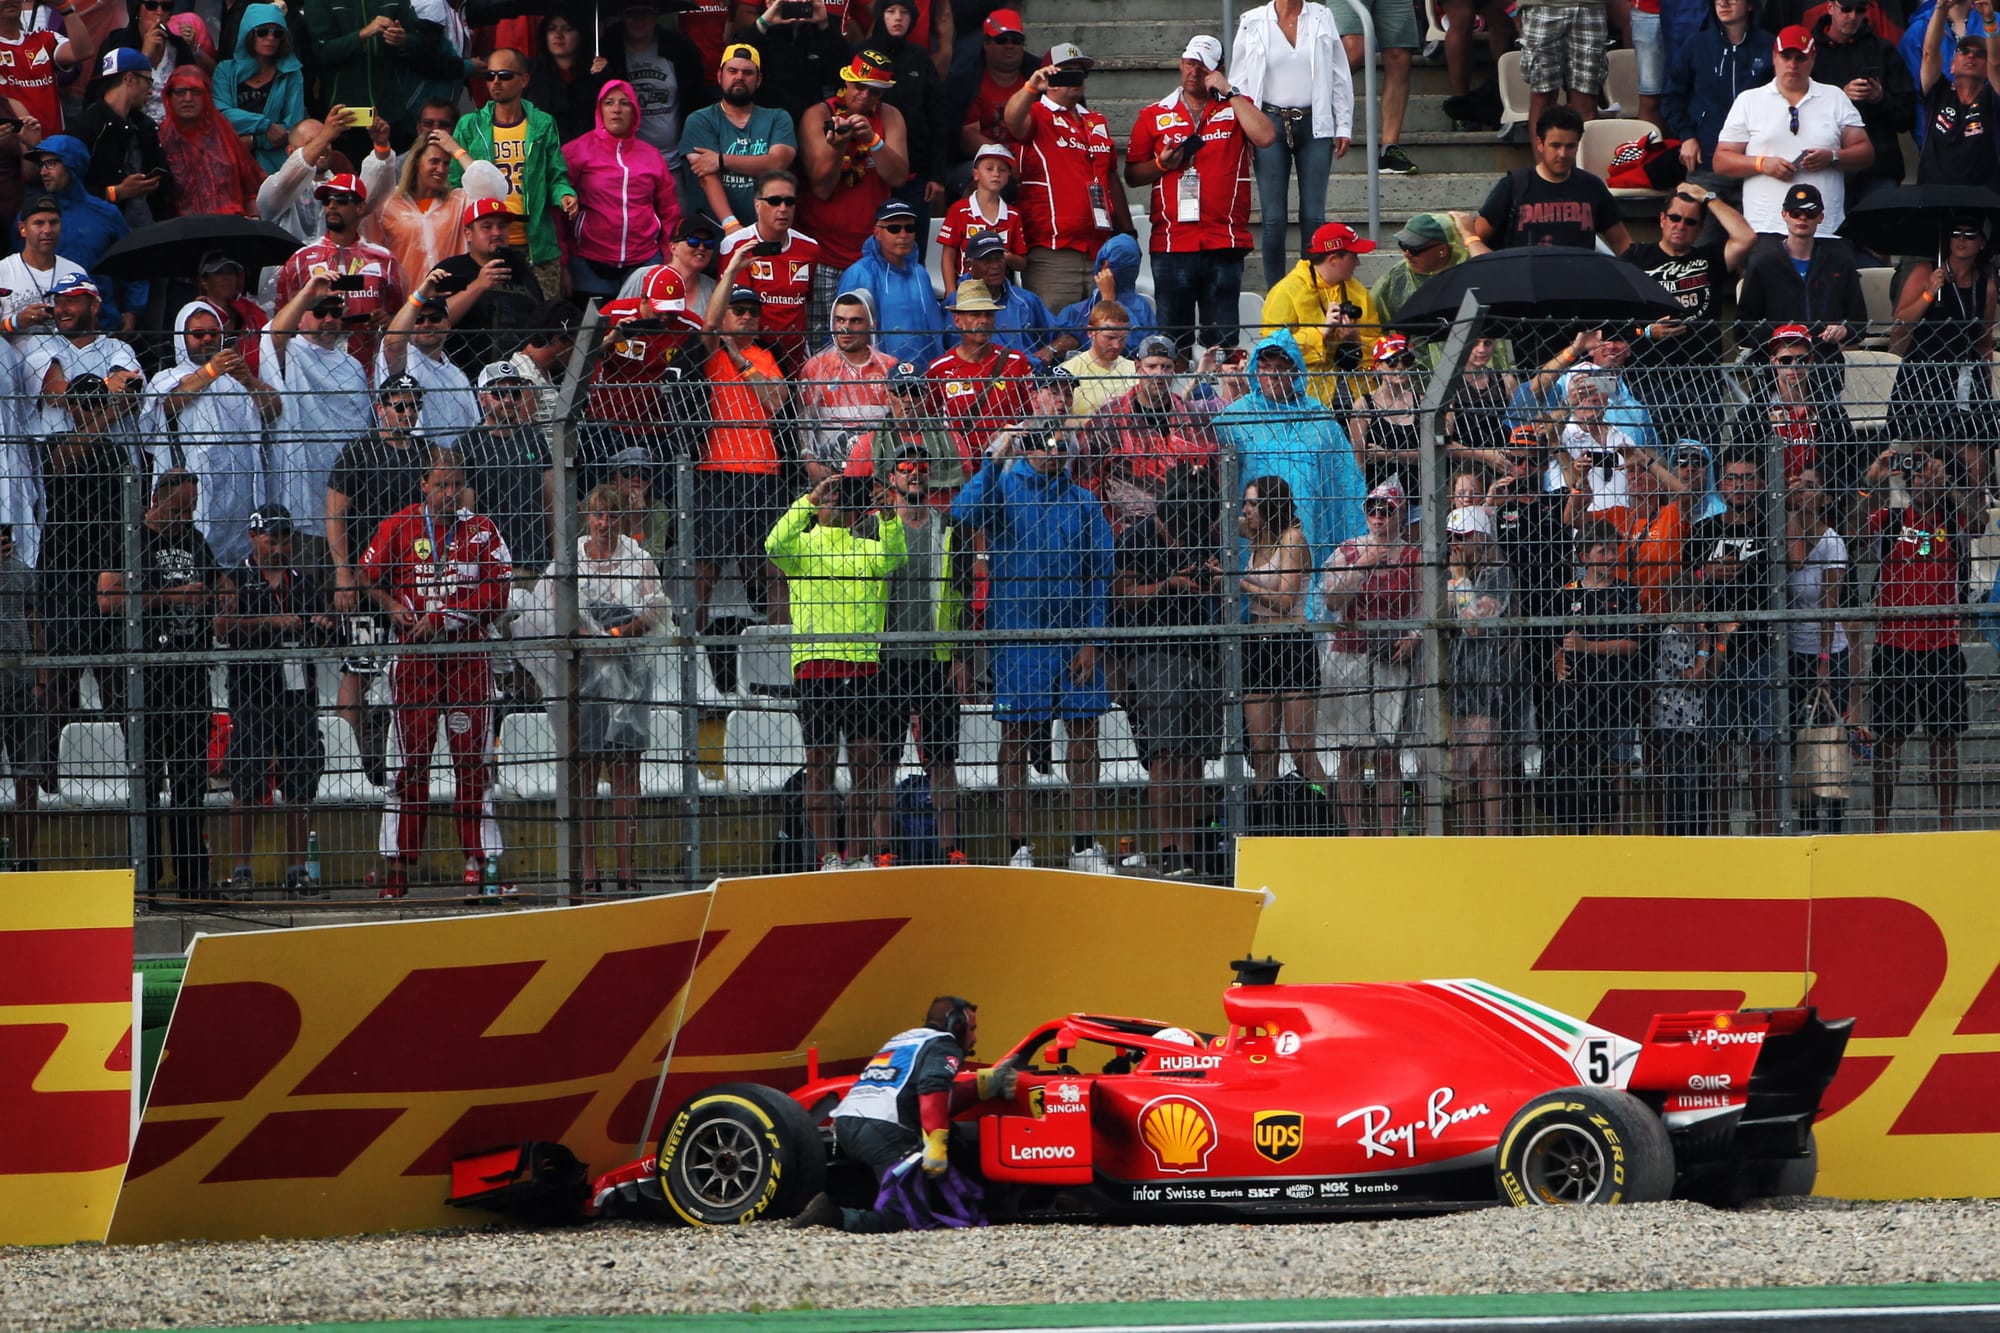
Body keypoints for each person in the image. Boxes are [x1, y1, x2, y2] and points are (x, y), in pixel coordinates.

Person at [951, 415, 1117, 872]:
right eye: (1043, 443)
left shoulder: (1083, 501)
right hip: (1019, 636)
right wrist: (993, 459)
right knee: (1017, 737)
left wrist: (1092, 638)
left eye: (1060, 444)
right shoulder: (1003, 488)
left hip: (1073, 636)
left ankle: (1084, 844)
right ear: (1026, 448)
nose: (1053, 451)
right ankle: (1017, 845)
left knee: (1084, 735)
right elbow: (963, 514)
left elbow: (1099, 577)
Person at [359, 446, 514, 900]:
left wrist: (444, 615)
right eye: (440, 485)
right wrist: (392, 608)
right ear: (423, 485)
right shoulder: (400, 524)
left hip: (468, 660)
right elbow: (368, 575)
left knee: (474, 763)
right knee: (408, 766)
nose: (449, 494)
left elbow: (498, 594)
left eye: (455, 485)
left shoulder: (482, 530)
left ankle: (481, 864)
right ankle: (398, 868)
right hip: (413, 661)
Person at [96, 469, 227, 905]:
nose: (184, 517)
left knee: (191, 785)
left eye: (190, 509)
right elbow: (109, 599)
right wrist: (169, 597)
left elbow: (218, 581)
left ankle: (194, 882)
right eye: (177, 509)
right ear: (156, 501)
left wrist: (215, 592)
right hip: (145, 684)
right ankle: (148, 883)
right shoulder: (130, 537)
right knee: (148, 785)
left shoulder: (192, 540)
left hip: (190, 680)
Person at [765, 472, 907, 871]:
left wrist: (886, 513)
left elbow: (896, 557)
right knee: (820, 765)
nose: (835, 503)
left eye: (840, 499)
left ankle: (860, 854)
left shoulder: (865, 548)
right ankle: (828, 855)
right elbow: (773, 543)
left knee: (865, 766)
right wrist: (809, 500)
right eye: (831, 498)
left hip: (861, 667)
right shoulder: (802, 548)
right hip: (815, 669)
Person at [792, 996, 1016, 1233]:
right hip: (883, 1130)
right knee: (906, 1219)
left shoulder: (903, 1040)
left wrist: (983, 1086)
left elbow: (918, 1095)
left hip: (846, 1124)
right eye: (972, 1029)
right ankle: (831, 1218)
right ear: (955, 1025)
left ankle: (841, 1206)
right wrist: (936, 1145)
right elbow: (932, 1088)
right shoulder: (944, 1043)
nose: (974, 1038)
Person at [1125, 36, 1276, 362]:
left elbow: (1266, 136)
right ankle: (1175, 409)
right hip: (1172, 242)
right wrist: (1163, 164)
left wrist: (1230, 91)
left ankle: (1221, 406)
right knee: (1171, 345)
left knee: (1222, 346)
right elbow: (1132, 175)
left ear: (1217, 70)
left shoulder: (1236, 106)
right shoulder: (1155, 113)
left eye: (1203, 65)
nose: (1194, 70)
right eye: (1189, 62)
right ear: (1181, 64)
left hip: (1225, 239)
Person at [216, 504, 332, 896]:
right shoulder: (238, 580)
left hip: (298, 694)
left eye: (285, 538)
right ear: (254, 538)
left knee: (300, 784)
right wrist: (270, 622)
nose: (279, 546)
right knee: (246, 783)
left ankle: (298, 868)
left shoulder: (304, 582)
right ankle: (242, 869)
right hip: (251, 693)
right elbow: (222, 628)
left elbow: (326, 628)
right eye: (272, 538)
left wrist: (322, 624)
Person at [1111, 468, 1222, 876]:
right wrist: (1169, 585)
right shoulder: (1138, 538)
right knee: (1165, 754)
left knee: (1194, 754)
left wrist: (1209, 581)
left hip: (1201, 651)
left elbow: (1216, 586)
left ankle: (1191, 851)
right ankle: (1168, 849)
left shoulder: (1202, 533)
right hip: (1154, 652)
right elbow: (1121, 596)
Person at [1861, 446, 1974, 829]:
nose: (1925, 479)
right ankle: (1880, 826)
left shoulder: (1954, 516)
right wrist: (1874, 479)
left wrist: (1949, 486)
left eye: (1932, 473)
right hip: (1894, 645)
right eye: (1920, 474)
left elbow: (1978, 520)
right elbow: (1852, 529)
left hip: (1942, 644)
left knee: (1944, 742)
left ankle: (1946, 827)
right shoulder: (1892, 518)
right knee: (1887, 742)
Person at [325, 373, 431, 783]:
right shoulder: (359, 451)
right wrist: (343, 573)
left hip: (416, 579)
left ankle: (409, 759)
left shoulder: (426, 452)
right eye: (399, 405)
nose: (407, 413)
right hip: (368, 578)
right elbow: (335, 515)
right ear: (381, 407)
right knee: (360, 665)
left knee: (414, 669)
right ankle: (351, 764)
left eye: (413, 405)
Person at [877, 441, 971, 864]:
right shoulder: (875, 527)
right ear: (891, 479)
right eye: (906, 466)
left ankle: (950, 848)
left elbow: (963, 597)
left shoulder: (950, 528)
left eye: (923, 466)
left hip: (936, 659)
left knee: (943, 758)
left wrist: (961, 659)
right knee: (883, 758)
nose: (916, 472)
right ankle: (883, 852)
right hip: (886, 659)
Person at [140, 299, 283, 569]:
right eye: (198, 334)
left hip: (237, 494)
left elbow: (273, 409)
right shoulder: (168, 377)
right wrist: (211, 371)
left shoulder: (234, 382)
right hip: (188, 494)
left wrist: (249, 381)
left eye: (213, 334)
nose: (207, 339)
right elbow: (171, 403)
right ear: (182, 338)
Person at [573, 482, 665, 895]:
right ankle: (589, 869)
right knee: (588, 767)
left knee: (627, 768)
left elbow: (656, 607)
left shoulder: (638, 557)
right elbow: (553, 605)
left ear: (621, 519)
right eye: (597, 514)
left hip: (630, 670)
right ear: (587, 517)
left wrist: (617, 633)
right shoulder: (574, 557)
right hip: (586, 674)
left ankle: (625, 867)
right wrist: (589, 637)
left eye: (610, 515)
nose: (603, 523)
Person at [1215, 328, 1368, 567]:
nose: (1272, 376)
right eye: (1265, 369)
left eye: (1280, 369)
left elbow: (1345, 482)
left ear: (1295, 371)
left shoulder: (1319, 419)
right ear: (1255, 370)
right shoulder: (1236, 418)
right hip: (1255, 532)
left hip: (1308, 529)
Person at [1319, 480, 1421, 836]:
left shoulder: (1412, 555)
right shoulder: (1348, 551)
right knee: (1350, 751)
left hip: (1391, 656)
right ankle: (1355, 832)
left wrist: (1415, 635)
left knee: (1386, 751)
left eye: (1387, 510)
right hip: (1350, 655)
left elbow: (1424, 604)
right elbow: (1331, 601)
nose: (1378, 517)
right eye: (1372, 510)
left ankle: (1388, 832)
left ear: (1399, 513)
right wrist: (1363, 564)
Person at [1686, 448, 1779, 833]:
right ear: (1720, 484)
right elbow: (1684, 588)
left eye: (1747, 478)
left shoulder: (1772, 529)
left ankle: (1767, 833)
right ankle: (1722, 838)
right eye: (1731, 478)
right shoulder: (1704, 531)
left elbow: (1774, 581)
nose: (1739, 486)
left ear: (1760, 483)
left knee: (1762, 750)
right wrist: (1709, 575)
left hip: (1760, 649)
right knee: (1719, 752)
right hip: (1715, 655)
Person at [1230, 0, 1354, 285]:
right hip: (1268, 120)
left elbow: (1339, 73)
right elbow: (1240, 80)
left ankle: (1312, 287)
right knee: (1273, 218)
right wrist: (1244, 129)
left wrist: (1343, 123)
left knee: (1313, 215)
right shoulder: (1253, 20)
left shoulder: (1323, 16)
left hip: (1315, 120)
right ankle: (1277, 293)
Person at [1621, 187, 1758, 442]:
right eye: (1675, 218)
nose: (1681, 225)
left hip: (1700, 379)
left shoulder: (1709, 258)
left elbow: (1746, 237)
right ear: (1662, 219)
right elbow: (1620, 326)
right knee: (1655, 459)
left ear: (1700, 228)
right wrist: (1648, 331)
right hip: (1648, 378)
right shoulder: (1636, 257)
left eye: (1690, 221)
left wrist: (1708, 197)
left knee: (1703, 459)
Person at [696, 255, 789, 626]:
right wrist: (732, 268)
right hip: (716, 470)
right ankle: (694, 652)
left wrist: (738, 357)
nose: (747, 316)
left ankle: (778, 650)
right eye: (738, 310)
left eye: (752, 310)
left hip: (765, 471)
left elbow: (776, 399)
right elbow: (709, 324)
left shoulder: (768, 354)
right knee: (703, 570)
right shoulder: (709, 350)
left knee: (773, 566)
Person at [1002, 42, 1129, 310]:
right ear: (1049, 77)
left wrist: (1127, 231)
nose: (1075, 78)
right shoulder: (1035, 113)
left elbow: (1111, 178)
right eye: (1065, 72)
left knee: (1098, 336)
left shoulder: (1097, 120)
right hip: (1052, 252)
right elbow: (1011, 121)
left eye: (1080, 72)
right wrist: (1030, 87)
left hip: (1099, 251)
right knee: (1054, 338)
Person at [1236, 473, 1331, 828]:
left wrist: (1239, 583)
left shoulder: (1291, 539)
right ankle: (1267, 829)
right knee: (1263, 752)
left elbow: (1287, 598)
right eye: (1244, 503)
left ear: (1271, 507)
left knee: (1301, 749)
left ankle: (1327, 823)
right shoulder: (1255, 536)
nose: (1245, 511)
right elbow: (1216, 518)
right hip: (1257, 645)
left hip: (1290, 643)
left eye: (1252, 504)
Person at [1714, 24, 1874, 234]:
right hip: (1765, 228)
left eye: (1800, 58)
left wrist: (1833, 156)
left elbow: (1865, 152)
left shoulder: (1834, 97)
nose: (1792, 65)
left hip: (1825, 229)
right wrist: (1762, 164)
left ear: (1813, 58)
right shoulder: (1749, 100)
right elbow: (1721, 160)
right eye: (1786, 57)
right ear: (1774, 57)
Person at [799, 50, 912, 336]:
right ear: (846, 84)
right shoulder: (818, 114)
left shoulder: (891, 116)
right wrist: (837, 149)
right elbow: (821, 188)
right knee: (825, 341)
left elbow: (898, 176)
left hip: (873, 254)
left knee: (876, 337)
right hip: (824, 254)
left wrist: (873, 140)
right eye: (859, 87)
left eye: (874, 92)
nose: (864, 97)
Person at [451, 47, 578, 300]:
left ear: (524, 80)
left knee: (544, 324)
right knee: (495, 323)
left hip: (537, 244)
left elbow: (556, 176)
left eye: (505, 75)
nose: (496, 82)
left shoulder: (542, 123)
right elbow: (454, 183)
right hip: (487, 244)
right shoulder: (470, 125)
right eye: (490, 76)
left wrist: (565, 195)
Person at [1547, 518, 1645, 833]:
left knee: (1618, 763)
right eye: (1602, 551)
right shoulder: (1566, 593)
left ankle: (1617, 833)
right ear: (1584, 556)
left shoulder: (1626, 592)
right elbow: (1555, 640)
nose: (1610, 557)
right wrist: (1559, 660)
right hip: (1578, 696)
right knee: (1575, 763)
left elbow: (1631, 644)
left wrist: (1587, 646)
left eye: (1613, 550)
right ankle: (1574, 833)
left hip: (1617, 690)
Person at [262, 270, 372, 539]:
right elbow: (274, 335)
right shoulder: (291, 350)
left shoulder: (353, 366)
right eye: (319, 312)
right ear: (300, 318)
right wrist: (309, 292)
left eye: (335, 313)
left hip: (348, 483)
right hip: (304, 473)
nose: (329, 320)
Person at [1077, 334, 1217, 533]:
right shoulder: (1109, 420)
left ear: (1175, 369)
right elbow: (1087, 480)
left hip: (1185, 533)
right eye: (1151, 366)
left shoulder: (1194, 420)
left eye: (1166, 367)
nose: (1159, 374)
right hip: (1127, 535)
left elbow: (1213, 477)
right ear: (1137, 367)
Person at [275, 171, 407, 371]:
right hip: (313, 372)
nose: (332, 206)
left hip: (368, 368)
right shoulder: (301, 259)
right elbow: (281, 317)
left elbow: (399, 314)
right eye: (327, 200)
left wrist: (387, 320)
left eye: (341, 200)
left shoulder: (384, 260)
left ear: (360, 207)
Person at [1887, 216, 1995, 458]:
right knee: (1921, 451)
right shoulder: (1926, 271)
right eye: (1956, 233)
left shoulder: (1985, 286)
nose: (1961, 239)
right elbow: (1901, 321)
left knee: (1975, 453)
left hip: (1965, 370)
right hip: (1925, 369)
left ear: (1982, 243)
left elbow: (1984, 339)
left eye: (1970, 234)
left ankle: (1973, 496)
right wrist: (1928, 293)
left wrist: (1986, 384)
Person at [561, 80, 678, 300]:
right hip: (588, 263)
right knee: (594, 332)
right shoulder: (576, 151)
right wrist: (563, 262)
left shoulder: (652, 156)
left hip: (644, 261)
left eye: (624, 103)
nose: (616, 109)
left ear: (635, 111)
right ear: (599, 110)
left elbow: (669, 211)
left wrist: (668, 256)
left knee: (639, 331)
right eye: (609, 103)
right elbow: (558, 210)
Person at [301, 0, 464, 150]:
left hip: (391, 112)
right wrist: (362, 34)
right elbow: (320, 53)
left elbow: (420, 44)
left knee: (391, 174)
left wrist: (403, 39)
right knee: (347, 177)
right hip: (344, 114)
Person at [1734, 183, 1866, 365]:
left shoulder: (1840, 263)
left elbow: (1859, 322)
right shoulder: (1763, 264)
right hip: (1777, 367)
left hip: (1825, 367)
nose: (1802, 219)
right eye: (1795, 213)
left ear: (1820, 217)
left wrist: (1842, 330)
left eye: (1810, 214)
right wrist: (1784, 336)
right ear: (1784, 215)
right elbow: (1742, 329)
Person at [1784, 464, 1850, 832]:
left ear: (1824, 497)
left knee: (1827, 737)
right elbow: (1794, 559)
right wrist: (1794, 509)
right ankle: (1806, 820)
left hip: (1827, 651)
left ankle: (1835, 822)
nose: (1804, 492)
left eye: (1811, 487)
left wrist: (1824, 660)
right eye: (1799, 487)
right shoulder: (1787, 530)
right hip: (1792, 650)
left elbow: (1830, 604)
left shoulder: (1832, 541)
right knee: (1798, 735)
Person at [1445, 505, 1515, 835]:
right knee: (1460, 766)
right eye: (1452, 538)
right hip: (1458, 676)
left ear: (1483, 537)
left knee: (1486, 763)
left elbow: (1473, 623)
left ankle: (1493, 839)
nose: (1456, 545)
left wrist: (1458, 581)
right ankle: (1469, 838)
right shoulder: (1455, 574)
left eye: (1464, 537)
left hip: (1489, 677)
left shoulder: (1497, 573)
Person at [365, 126, 506, 292]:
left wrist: (457, 151)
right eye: (434, 161)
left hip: (452, 303)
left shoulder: (459, 201)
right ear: (417, 161)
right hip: (406, 305)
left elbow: (493, 193)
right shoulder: (389, 204)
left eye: (446, 163)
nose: (441, 169)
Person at [1475, 106, 1633, 252]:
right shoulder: (1514, 185)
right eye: (1555, 146)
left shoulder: (1591, 186)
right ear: (1540, 144)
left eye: (1570, 146)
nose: (1563, 154)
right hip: (1524, 278)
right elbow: (1478, 235)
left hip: (1579, 277)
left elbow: (1622, 242)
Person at [1261, 219, 1383, 408]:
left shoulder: (1358, 292)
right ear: (1333, 259)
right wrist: (1320, 334)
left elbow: (1378, 347)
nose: (1358, 262)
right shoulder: (1286, 291)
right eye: (1353, 256)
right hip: (1305, 398)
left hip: (1358, 395)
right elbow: (1269, 351)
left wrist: (1356, 339)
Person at [26, 136, 144, 327]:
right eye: (41, 165)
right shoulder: (32, 215)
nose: (43, 172)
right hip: (44, 327)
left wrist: (132, 310)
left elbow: (133, 264)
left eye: (51, 163)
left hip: (100, 324)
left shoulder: (106, 214)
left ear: (72, 165)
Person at [924, 278, 1035, 480]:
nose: (983, 320)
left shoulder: (1016, 362)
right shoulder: (938, 369)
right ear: (957, 320)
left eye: (988, 314)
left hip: (1008, 466)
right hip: (960, 470)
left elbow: (1031, 414)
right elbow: (930, 423)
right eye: (975, 314)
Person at [680, 42, 797, 231]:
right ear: (719, 76)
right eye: (732, 71)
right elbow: (707, 176)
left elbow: (777, 163)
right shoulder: (699, 120)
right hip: (716, 233)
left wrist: (720, 159)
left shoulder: (778, 118)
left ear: (759, 80)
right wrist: (730, 224)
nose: (739, 77)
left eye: (748, 73)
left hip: (767, 233)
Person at [1731, 322, 1859, 491]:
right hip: (1768, 502)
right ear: (1774, 362)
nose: (1794, 365)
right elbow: (1741, 463)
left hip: (1820, 501)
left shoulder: (1831, 411)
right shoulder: (1752, 413)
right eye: (1785, 360)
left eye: (1802, 358)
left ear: (1811, 360)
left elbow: (1847, 464)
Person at [717, 169, 820, 375]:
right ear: (757, 204)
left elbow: (804, 301)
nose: (783, 208)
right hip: (752, 358)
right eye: (774, 201)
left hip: (796, 357)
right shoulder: (736, 245)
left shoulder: (810, 248)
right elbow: (734, 311)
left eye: (789, 201)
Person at [1812, 0, 1916, 200]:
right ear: (1830, 7)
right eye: (1846, 9)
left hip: (1879, 168)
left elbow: (1907, 117)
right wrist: (1840, 96)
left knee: (1880, 229)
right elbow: (1795, 107)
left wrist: (1880, 98)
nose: (1852, 16)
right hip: (1827, 167)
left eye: (1860, 10)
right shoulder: (1811, 53)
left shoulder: (1882, 50)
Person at [870, 0, 950, 260]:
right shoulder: (862, 54)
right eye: (891, 11)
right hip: (867, 174)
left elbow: (938, 117)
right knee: (869, 251)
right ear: (880, 15)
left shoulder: (920, 59)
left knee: (913, 253)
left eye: (904, 12)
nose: (897, 18)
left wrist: (936, 175)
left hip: (915, 176)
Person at [459, 361, 555, 577]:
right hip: (490, 563)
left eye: (515, 392)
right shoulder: (469, 445)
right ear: (482, 399)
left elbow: (550, 501)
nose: (508, 400)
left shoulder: (533, 438)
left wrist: (556, 554)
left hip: (534, 559)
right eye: (499, 393)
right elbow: (467, 513)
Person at [1664, 0, 1778, 181]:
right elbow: (1672, 97)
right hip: (1705, 160)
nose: (1723, 3)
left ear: (1750, 5)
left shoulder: (1770, 46)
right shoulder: (1696, 45)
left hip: (1757, 163)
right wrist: (1687, 137)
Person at [435, 196, 542, 375]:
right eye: (487, 226)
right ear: (468, 233)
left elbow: (541, 323)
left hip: (518, 379)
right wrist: (479, 285)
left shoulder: (522, 272)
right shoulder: (450, 270)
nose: (496, 232)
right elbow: (432, 323)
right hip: (462, 377)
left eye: (502, 226)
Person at [72, 48, 174, 230]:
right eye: (148, 81)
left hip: (148, 229)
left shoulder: (145, 126)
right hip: (103, 233)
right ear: (129, 78)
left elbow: (166, 183)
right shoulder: (85, 127)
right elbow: (68, 188)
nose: (150, 91)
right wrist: (116, 193)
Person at [837, 197, 947, 366]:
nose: (903, 235)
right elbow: (845, 332)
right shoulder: (858, 274)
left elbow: (935, 327)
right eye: (894, 229)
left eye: (909, 228)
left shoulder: (920, 273)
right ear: (877, 232)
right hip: (878, 378)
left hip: (926, 378)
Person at [598, 0, 706, 162]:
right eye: (631, 14)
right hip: (626, 161)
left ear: (657, 15)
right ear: (622, 17)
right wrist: (601, 74)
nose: (639, 20)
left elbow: (696, 97)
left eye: (646, 13)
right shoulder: (608, 52)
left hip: (676, 158)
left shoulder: (681, 50)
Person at [798, 289, 897, 464]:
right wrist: (810, 463)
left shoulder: (890, 368)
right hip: (830, 467)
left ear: (871, 324)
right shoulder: (815, 368)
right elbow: (804, 424)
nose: (846, 328)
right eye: (840, 320)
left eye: (855, 321)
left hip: (880, 467)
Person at [212, 3, 304, 173]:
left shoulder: (292, 74)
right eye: (262, 32)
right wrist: (265, 126)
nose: (270, 38)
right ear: (249, 33)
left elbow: (292, 125)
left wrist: (254, 140)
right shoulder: (225, 70)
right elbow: (220, 114)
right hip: (229, 160)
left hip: (274, 166)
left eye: (277, 33)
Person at [0, 522, 44, 871]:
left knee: (27, 776)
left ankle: (25, 861)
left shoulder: (22, 574)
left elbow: (36, 622)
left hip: (22, 682)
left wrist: (40, 680)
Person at [1916, 2, 2000, 185]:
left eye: (1980, 54)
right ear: (1952, 66)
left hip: (1982, 202)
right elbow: (1930, 53)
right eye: (1964, 51)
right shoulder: (1939, 92)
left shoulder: (1992, 98)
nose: (1972, 56)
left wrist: (1989, 19)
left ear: (1986, 70)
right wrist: (1941, 8)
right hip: (1934, 199)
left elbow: (1996, 63)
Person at [1367, 211, 1489, 323]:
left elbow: (1492, 272)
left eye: (1415, 249)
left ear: (1442, 250)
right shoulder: (1396, 278)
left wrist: (1469, 234)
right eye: (1403, 245)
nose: (1407, 254)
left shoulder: (1469, 270)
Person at [0, 194, 96, 334]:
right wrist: (15, 322)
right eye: (38, 223)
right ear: (22, 229)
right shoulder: (3, 271)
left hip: (67, 354)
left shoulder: (75, 272)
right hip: (14, 354)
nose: (47, 230)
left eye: (53, 222)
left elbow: (90, 326)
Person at [937, 143, 1023, 297]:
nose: (996, 173)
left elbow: (1022, 263)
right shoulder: (959, 210)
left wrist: (1006, 257)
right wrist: (951, 293)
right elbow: (947, 256)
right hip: (965, 290)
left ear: (1008, 176)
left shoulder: (1013, 215)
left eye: (1002, 170)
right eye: (989, 168)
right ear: (975, 174)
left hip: (1000, 294)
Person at [953, 231, 1055, 358]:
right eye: (987, 260)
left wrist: (1049, 350)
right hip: (969, 375)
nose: (995, 266)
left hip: (1022, 374)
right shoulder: (954, 304)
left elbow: (1065, 335)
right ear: (969, 264)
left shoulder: (1027, 300)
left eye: (999, 258)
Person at [0, 0, 95, 133]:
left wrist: (65, 7)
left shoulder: (45, 39)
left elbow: (83, 51)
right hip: (11, 146)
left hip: (51, 147)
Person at [1515, 0, 1609, 129]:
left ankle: (1585, 149)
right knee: (1542, 95)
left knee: (1587, 98)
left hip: (1590, 6)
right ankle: (1541, 149)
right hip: (1541, 6)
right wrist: (1512, 10)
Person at [524, 12, 608, 144]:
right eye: (552, 29)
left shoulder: (597, 72)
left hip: (589, 153)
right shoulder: (531, 72)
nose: (558, 35)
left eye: (567, 29)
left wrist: (605, 75)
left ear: (581, 34)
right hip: (543, 152)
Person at [1057, 301, 1134, 420]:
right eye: (1110, 337)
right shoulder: (1068, 371)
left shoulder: (1136, 370)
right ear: (1091, 332)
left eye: (1122, 339)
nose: (1116, 345)